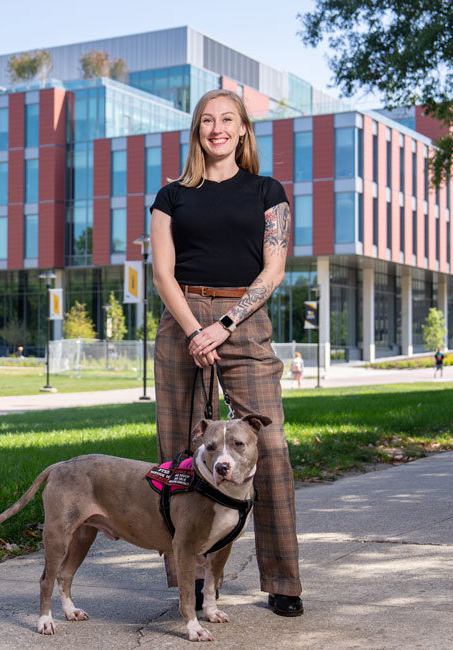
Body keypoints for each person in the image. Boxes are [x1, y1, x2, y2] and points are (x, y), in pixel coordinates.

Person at [150, 88, 302, 617]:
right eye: (208, 119)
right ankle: (188, 581)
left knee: (273, 451)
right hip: (182, 322)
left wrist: (226, 324)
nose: (217, 127)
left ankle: (284, 581)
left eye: (228, 119)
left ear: (243, 130)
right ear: (197, 129)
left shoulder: (267, 190)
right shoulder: (172, 194)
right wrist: (196, 329)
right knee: (181, 454)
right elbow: (162, 273)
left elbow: (274, 269)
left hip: (243, 318)